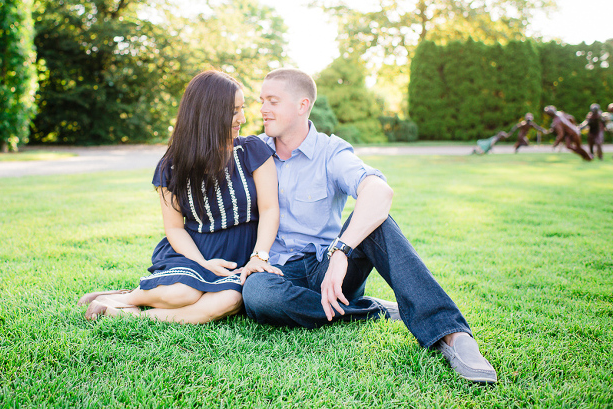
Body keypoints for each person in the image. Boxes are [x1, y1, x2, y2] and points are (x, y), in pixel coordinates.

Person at [242, 68, 498, 384]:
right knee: (256, 295)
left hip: (331, 272)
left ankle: (451, 334)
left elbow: (379, 191)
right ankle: (365, 310)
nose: (263, 109)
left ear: (302, 105)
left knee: (377, 221)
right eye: (261, 100)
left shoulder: (330, 151)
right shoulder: (253, 151)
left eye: (272, 101)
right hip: (279, 272)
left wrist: (340, 251)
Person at [78, 70, 281, 323]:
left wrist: (258, 255)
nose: (242, 117)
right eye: (233, 111)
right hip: (193, 251)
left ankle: (126, 312)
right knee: (183, 293)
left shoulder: (252, 150)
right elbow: (174, 229)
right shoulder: (171, 167)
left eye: (242, 108)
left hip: (241, 255)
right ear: (207, 114)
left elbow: (270, 208)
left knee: (230, 299)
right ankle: (130, 298)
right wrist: (203, 263)